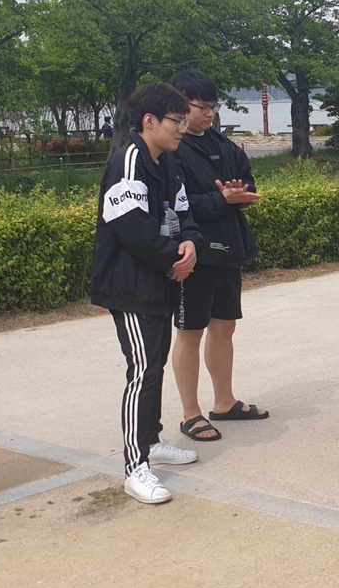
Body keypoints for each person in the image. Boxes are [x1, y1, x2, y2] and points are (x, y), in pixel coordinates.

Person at [91, 84, 205, 505]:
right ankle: (135, 466)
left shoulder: (168, 162)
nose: (182, 129)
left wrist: (189, 244)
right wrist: (175, 257)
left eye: (184, 122)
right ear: (149, 121)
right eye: (177, 122)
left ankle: (152, 439)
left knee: (155, 363)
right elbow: (133, 230)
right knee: (141, 370)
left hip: (160, 279)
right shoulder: (128, 162)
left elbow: (183, 211)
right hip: (130, 286)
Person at [166, 71, 266, 443]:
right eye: (202, 107)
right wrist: (220, 199)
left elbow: (246, 181)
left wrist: (240, 194)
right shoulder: (173, 149)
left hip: (228, 248)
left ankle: (224, 401)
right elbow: (174, 205)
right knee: (190, 331)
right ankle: (190, 413)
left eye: (213, 107)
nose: (209, 114)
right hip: (193, 253)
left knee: (224, 326)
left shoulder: (223, 144)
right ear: (181, 103)